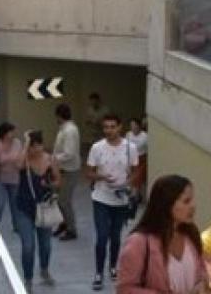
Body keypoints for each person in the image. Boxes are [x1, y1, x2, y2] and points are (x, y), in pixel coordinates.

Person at [117, 174, 211, 294]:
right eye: (186, 201)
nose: (193, 206)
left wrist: (202, 284)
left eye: (192, 200)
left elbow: (200, 273)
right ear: (167, 204)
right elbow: (124, 289)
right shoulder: (139, 242)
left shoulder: (191, 234)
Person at [86, 113, 139, 290]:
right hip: (100, 199)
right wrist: (101, 177)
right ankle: (98, 273)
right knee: (102, 237)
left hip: (121, 200)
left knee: (115, 237)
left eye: (112, 127)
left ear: (119, 127)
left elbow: (135, 172)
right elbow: (89, 173)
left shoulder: (130, 148)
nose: (108, 130)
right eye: (105, 127)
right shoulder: (97, 148)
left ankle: (113, 267)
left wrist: (129, 185)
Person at [13, 130, 61, 291]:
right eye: (33, 146)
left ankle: (44, 270)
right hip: (24, 208)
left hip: (44, 207)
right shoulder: (24, 159)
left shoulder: (49, 159)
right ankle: (27, 279)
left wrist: (49, 185)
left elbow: (58, 181)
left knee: (45, 244)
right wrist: (25, 143)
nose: (37, 149)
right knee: (28, 246)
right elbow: (17, 165)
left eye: (39, 145)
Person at [53, 103, 81, 241]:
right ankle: (64, 223)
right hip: (63, 169)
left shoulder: (69, 131)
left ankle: (72, 229)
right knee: (60, 200)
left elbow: (69, 153)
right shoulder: (65, 129)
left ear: (59, 116)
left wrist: (54, 159)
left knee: (64, 201)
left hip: (69, 170)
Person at [126, 118, 149, 217]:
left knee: (137, 179)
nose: (133, 128)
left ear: (139, 126)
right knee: (132, 179)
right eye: (131, 125)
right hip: (131, 159)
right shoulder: (128, 135)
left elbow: (148, 149)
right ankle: (136, 196)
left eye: (135, 125)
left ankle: (134, 198)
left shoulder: (145, 136)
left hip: (141, 159)